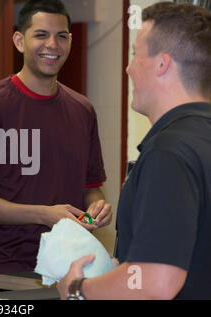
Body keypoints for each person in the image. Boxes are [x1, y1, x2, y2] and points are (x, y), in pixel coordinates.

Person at [0, 0, 113, 293]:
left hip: (73, 270)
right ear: (19, 40)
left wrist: (96, 207)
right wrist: (43, 213)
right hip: (11, 276)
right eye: (40, 34)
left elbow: (92, 186)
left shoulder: (83, 110)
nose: (52, 44)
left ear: (70, 41)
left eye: (61, 35)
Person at [57, 2, 211, 300]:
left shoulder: (168, 152)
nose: (128, 68)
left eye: (135, 55)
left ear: (162, 64)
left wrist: (79, 290)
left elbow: (157, 282)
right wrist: (123, 273)